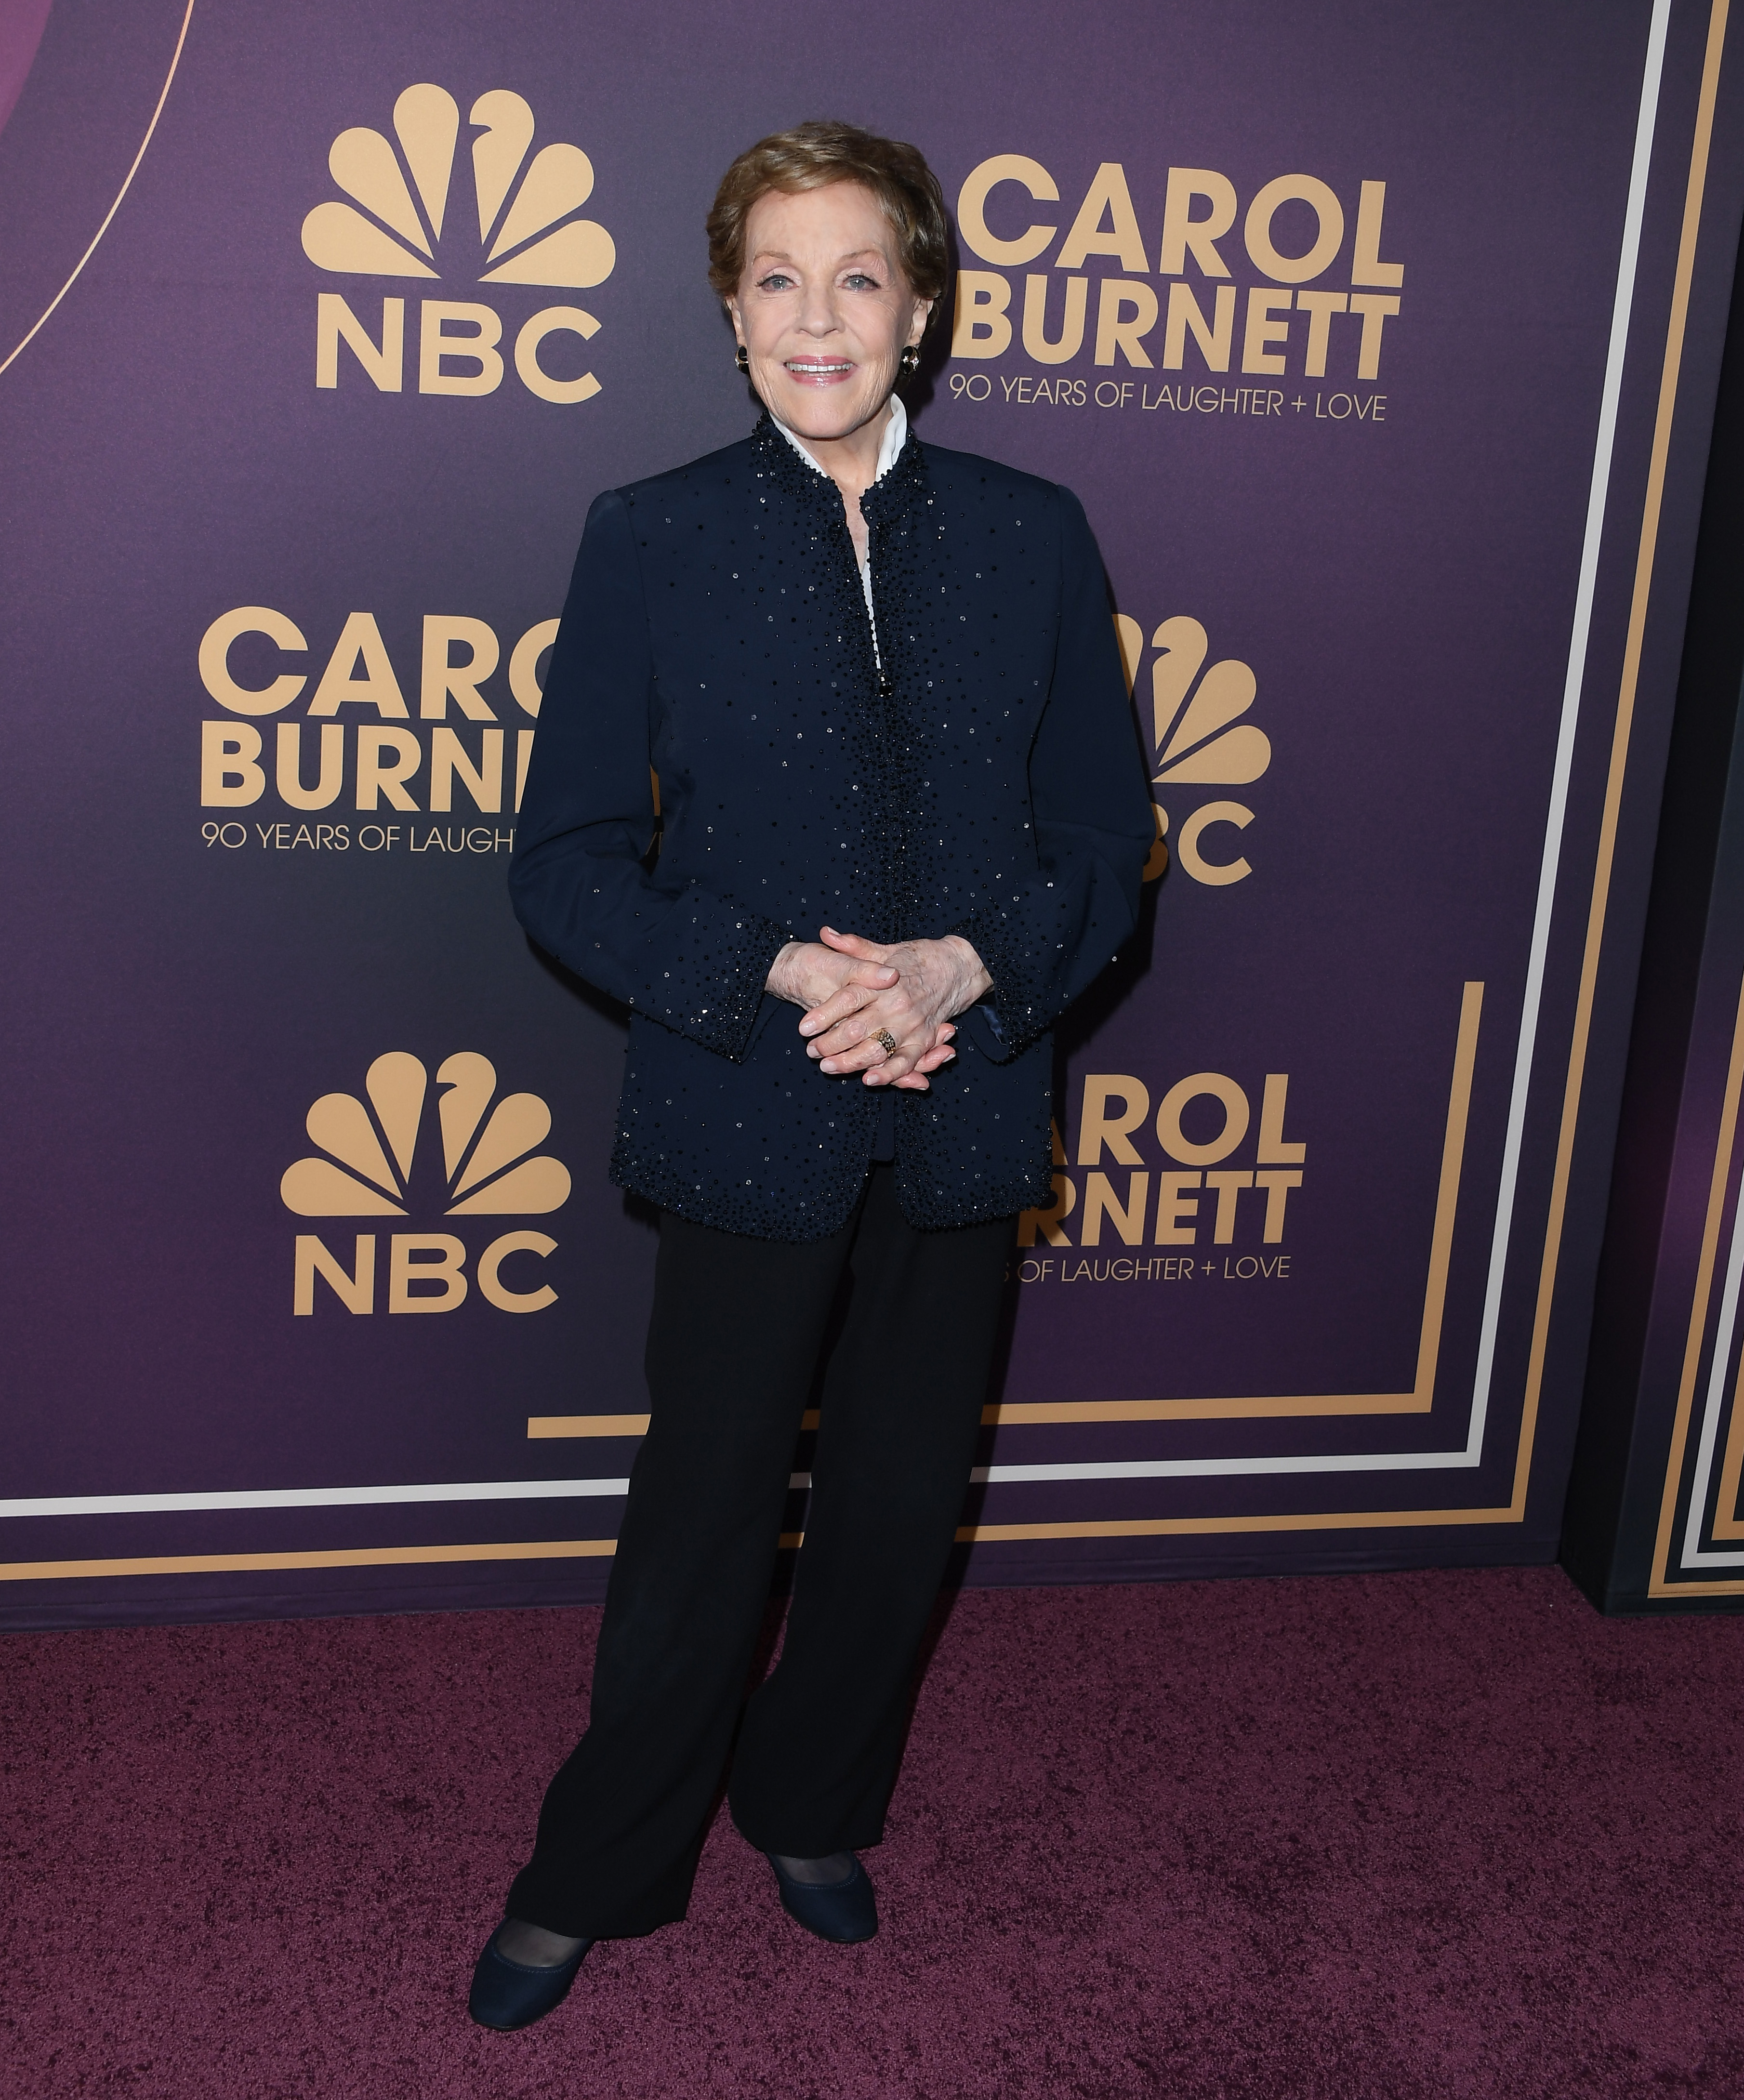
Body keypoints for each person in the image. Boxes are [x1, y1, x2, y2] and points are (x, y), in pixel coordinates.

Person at [470, 119, 1153, 2032]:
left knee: (896, 1501)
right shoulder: (653, 532)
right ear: (729, 309)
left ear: (922, 306)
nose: (817, 316)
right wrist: (771, 970)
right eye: (776, 278)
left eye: (858, 274)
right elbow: (566, 857)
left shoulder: (1030, 532)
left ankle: (812, 1796)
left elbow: (1103, 842)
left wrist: (968, 967)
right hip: (745, 1114)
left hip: (961, 1095)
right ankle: (602, 1857)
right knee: (700, 1513)